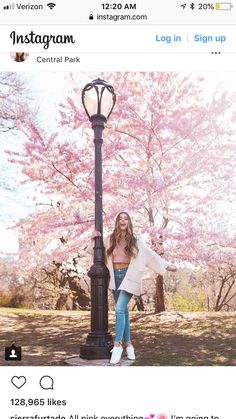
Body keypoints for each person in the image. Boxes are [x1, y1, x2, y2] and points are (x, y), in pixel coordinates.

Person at [89, 212, 177, 365]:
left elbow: (151, 256)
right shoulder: (109, 239)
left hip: (129, 276)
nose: (123, 221)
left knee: (119, 309)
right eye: (120, 218)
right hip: (115, 277)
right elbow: (94, 251)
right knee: (124, 312)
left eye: (126, 218)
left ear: (129, 222)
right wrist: (94, 238)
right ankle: (129, 345)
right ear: (117, 222)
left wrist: (167, 265)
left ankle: (117, 346)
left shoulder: (136, 242)